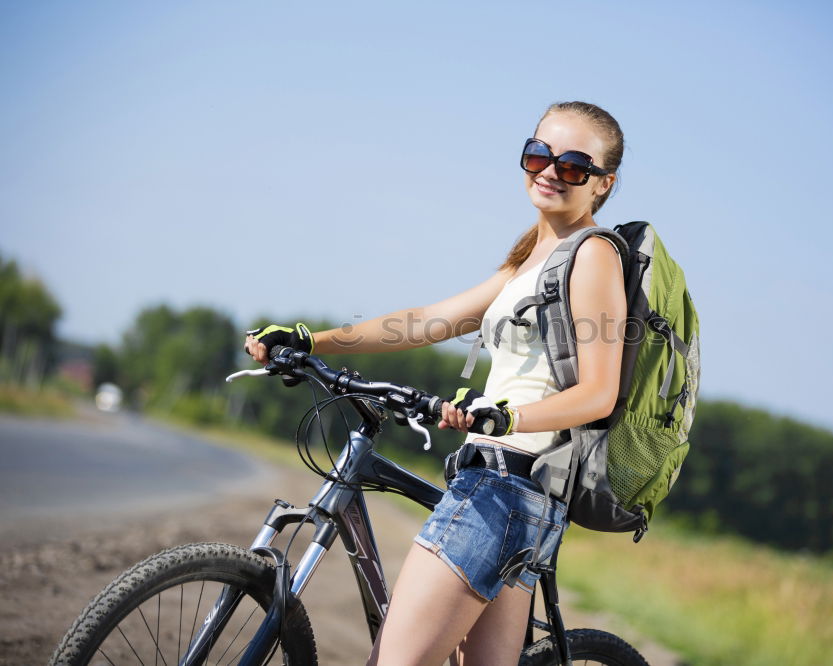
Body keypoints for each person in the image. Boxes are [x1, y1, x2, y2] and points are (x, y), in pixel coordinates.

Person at [245, 101, 627, 666]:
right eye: (538, 154)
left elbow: (599, 393)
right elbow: (427, 321)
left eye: (573, 165)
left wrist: (505, 418)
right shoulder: (534, 255)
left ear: (603, 184)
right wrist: (312, 339)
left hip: (505, 489)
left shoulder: (593, 255)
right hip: (516, 495)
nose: (549, 171)